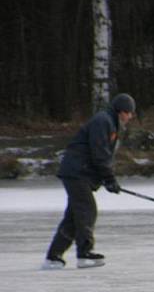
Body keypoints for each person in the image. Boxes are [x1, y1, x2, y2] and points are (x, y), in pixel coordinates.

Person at [42, 93, 136, 270]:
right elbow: (99, 153)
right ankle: (84, 253)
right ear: (121, 111)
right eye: (128, 113)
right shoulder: (103, 121)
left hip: (80, 173)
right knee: (87, 210)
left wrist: (107, 180)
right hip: (77, 172)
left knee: (73, 216)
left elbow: (103, 156)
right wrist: (109, 179)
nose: (130, 117)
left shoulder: (111, 123)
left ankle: (53, 257)